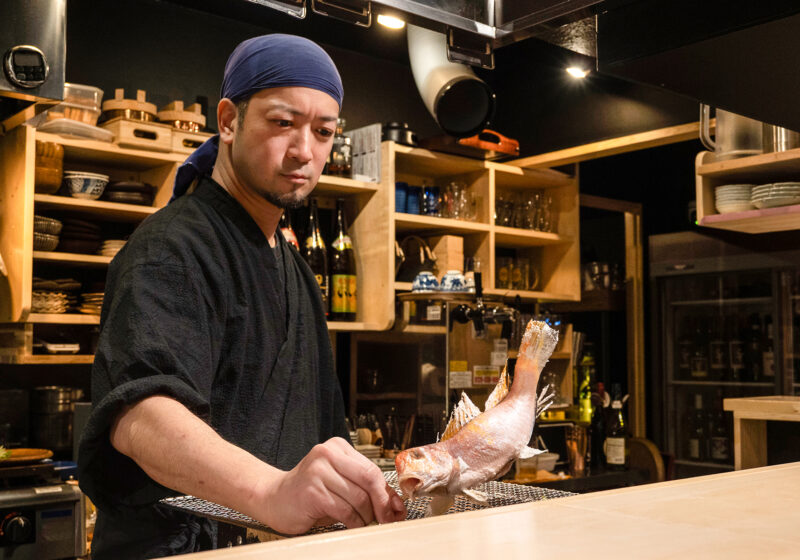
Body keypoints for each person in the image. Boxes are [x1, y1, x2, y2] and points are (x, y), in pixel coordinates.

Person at [77, 34, 406, 559]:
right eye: (283, 122)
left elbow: (324, 431)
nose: (305, 151)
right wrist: (272, 492)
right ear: (229, 121)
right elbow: (140, 415)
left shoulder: (295, 270)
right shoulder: (170, 247)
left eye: (323, 132)